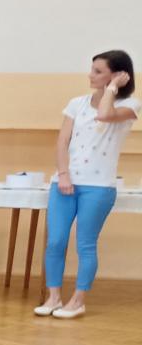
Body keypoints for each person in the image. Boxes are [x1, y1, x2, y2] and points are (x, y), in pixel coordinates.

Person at [35, 50, 138, 319]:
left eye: (98, 71)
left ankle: (78, 301)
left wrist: (112, 89)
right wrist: (63, 174)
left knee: (86, 244)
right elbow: (62, 141)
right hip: (64, 182)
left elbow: (104, 115)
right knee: (55, 241)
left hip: (99, 187)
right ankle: (53, 297)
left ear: (117, 75)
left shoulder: (130, 106)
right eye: (92, 69)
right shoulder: (76, 104)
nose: (90, 75)